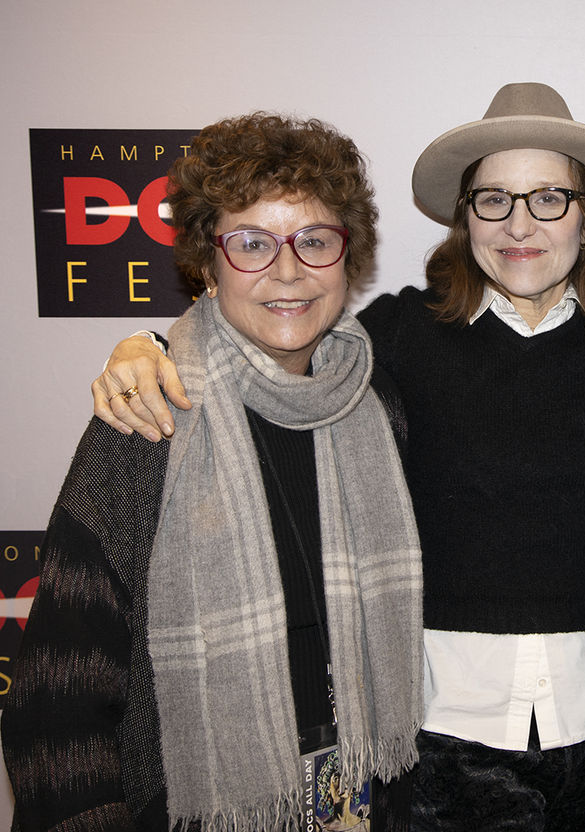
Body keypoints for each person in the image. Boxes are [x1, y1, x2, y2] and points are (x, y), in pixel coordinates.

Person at [85, 84, 585, 831]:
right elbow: (274, 349)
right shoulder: (396, 338)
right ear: (465, 217)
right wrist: (151, 344)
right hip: (435, 744)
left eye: (549, 199)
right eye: (493, 200)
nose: (520, 225)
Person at [2, 114, 423, 831]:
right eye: (252, 243)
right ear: (207, 261)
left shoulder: (378, 405)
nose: (287, 272)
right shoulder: (147, 422)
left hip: (356, 801)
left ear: (347, 260)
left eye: (314, 241)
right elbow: (57, 703)